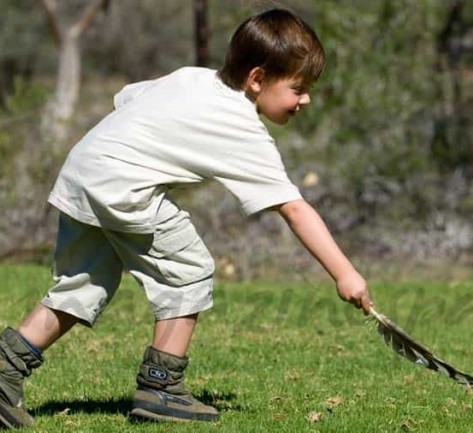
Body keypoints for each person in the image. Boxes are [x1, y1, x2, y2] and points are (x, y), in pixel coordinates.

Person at [0, 8, 372, 428]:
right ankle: (161, 388)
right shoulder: (242, 128)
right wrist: (345, 274)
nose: (305, 100)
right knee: (190, 270)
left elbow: (125, 96)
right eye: (298, 88)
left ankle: (3, 372)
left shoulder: (193, 77)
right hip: (122, 188)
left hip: (84, 170)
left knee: (81, 285)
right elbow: (293, 207)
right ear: (256, 79)